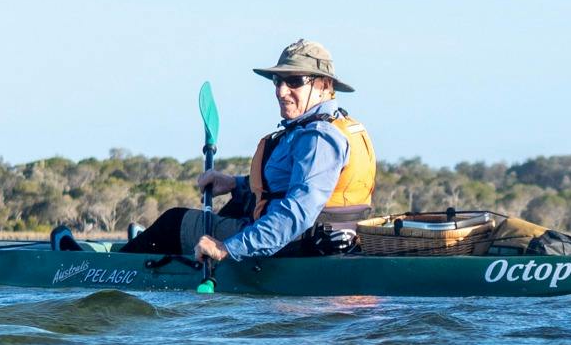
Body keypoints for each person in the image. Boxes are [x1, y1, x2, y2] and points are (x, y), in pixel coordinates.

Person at [112, 40, 377, 263]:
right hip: (313, 239)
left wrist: (228, 249)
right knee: (235, 204)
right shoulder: (326, 128)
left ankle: (104, 267)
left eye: (294, 81)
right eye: (277, 80)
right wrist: (234, 184)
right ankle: (151, 246)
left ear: (324, 86)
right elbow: (284, 187)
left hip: (295, 245)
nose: (281, 91)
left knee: (174, 222)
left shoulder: (319, 138)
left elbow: (296, 212)